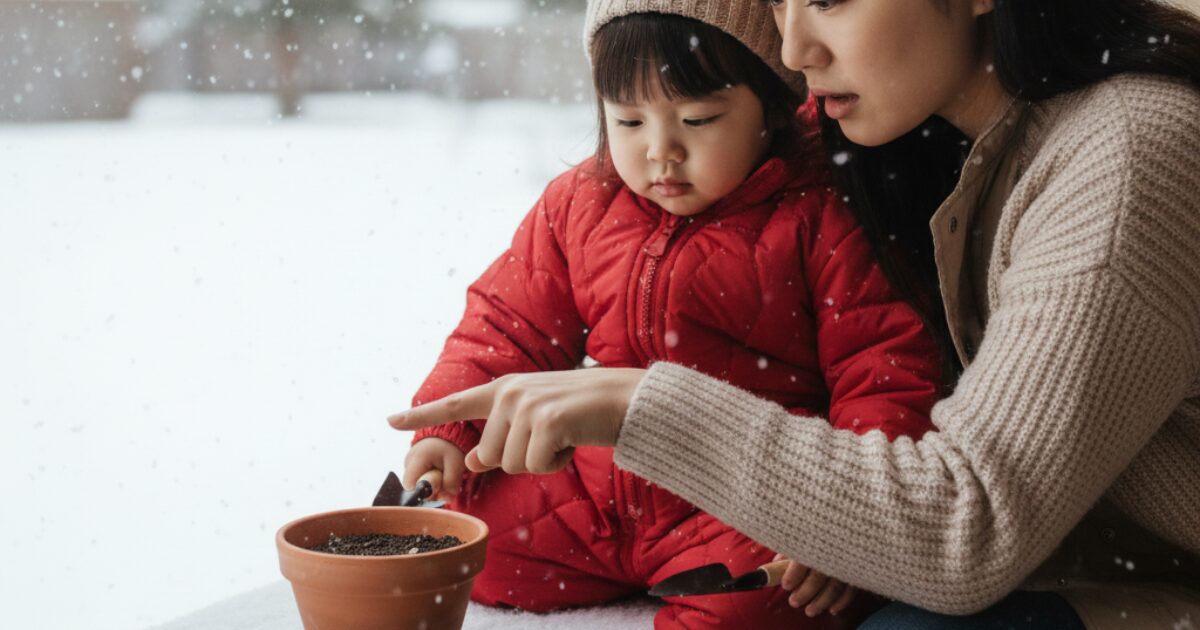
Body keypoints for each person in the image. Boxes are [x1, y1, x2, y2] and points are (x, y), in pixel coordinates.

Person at [389, 0, 1200, 628]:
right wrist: (453, 431)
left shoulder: (1125, 160)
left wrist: (642, 404)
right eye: (778, 3)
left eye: (831, 0)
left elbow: (963, 524)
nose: (790, 49)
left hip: (1131, 582)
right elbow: (507, 318)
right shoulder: (919, 147)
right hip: (1046, 557)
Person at [397, 1, 950, 627]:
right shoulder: (580, 202)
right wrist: (449, 432)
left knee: (763, 600)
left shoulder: (824, 211)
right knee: (475, 548)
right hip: (594, 487)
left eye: (698, 119)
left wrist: (843, 525)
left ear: (771, 107)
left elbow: (882, 373)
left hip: (745, 499)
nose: (661, 151)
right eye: (629, 121)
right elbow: (506, 326)